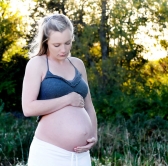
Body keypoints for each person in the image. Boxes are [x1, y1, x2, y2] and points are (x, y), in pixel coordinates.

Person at [21, 13, 97, 166]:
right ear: (46, 42)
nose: (64, 49)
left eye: (68, 43)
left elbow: (89, 105)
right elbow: (28, 108)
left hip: (81, 156)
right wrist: (67, 99)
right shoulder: (38, 64)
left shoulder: (78, 64)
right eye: (57, 45)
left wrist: (94, 135)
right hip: (49, 154)